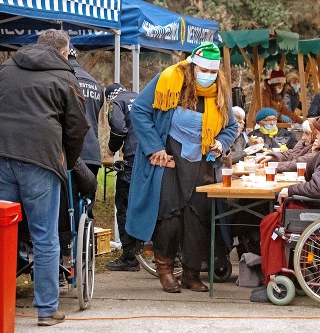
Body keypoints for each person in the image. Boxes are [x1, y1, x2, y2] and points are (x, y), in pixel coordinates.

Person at [0, 29, 88, 326]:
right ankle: (45, 310)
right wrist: (67, 157)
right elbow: (78, 127)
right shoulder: (65, 75)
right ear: (65, 52)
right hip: (39, 158)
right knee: (44, 236)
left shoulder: (5, 68)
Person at [125, 42, 238, 293]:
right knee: (170, 216)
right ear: (192, 65)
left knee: (198, 217)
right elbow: (140, 111)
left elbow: (231, 127)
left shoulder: (219, 90)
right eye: (203, 70)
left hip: (202, 163)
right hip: (169, 159)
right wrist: (155, 148)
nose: (207, 76)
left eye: (212, 72)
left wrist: (220, 143)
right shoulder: (168, 80)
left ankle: (191, 272)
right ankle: (165, 269)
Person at [251, 111, 320, 302]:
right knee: (279, 214)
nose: (316, 135)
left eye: (319, 132)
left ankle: (275, 280)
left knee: (270, 223)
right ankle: (296, 275)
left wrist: (291, 190)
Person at [103, 83, 140, 271]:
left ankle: (129, 256)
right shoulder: (141, 97)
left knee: (124, 205)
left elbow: (118, 128)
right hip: (153, 156)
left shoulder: (116, 102)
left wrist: (112, 148)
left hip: (132, 160)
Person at [67, 44, 104, 218]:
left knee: (69, 206)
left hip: (72, 153)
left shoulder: (65, 79)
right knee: (87, 206)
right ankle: (88, 243)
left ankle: (72, 243)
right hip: (93, 153)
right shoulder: (95, 83)